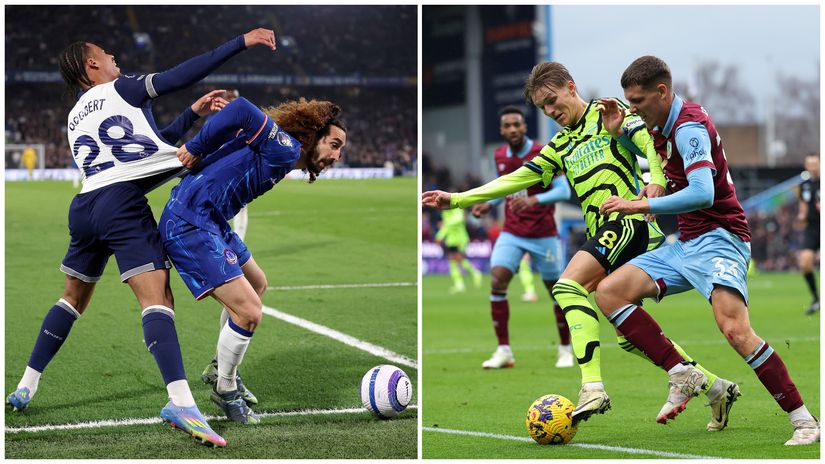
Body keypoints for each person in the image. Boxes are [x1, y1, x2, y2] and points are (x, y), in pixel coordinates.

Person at [422, 61, 736, 430]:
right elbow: (513, 179)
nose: (551, 112)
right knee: (629, 337)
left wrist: (655, 181)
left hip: (629, 223)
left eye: (553, 101)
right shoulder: (559, 146)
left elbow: (647, 144)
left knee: (568, 287)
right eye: (543, 108)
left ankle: (592, 387)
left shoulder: (609, 113)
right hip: (608, 232)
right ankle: (714, 386)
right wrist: (457, 199)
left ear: (571, 88)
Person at [6, 29, 277, 449]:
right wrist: (241, 42)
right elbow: (181, 74)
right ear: (92, 65)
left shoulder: (75, 115)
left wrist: (190, 114)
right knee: (158, 299)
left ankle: (26, 384)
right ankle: (181, 402)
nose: (115, 57)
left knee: (71, 299)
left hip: (85, 207)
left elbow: (140, 151)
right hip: (121, 205)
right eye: (106, 54)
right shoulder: (121, 87)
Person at [593, 55, 819, 445]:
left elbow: (703, 192)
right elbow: (669, 170)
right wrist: (621, 134)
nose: (632, 109)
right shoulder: (660, 124)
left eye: (638, 101)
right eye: (629, 101)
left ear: (662, 92)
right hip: (687, 244)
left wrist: (638, 204)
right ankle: (681, 372)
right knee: (609, 292)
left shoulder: (688, 128)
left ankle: (805, 421)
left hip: (722, 238)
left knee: (735, 330)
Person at [160, 96, 346, 423]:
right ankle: (226, 389)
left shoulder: (285, 154)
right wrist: (197, 146)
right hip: (191, 221)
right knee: (248, 311)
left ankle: (220, 367)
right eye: (333, 144)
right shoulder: (286, 148)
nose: (336, 155)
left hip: (211, 220)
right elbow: (240, 108)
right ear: (313, 135)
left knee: (257, 283)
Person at [470, 105, 573, 369]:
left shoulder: (543, 153)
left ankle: (565, 349)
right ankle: (503, 350)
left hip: (544, 234)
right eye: (508, 125)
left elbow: (563, 191)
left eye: (517, 124)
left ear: (524, 127)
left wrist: (535, 200)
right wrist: (488, 203)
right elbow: (504, 186)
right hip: (512, 232)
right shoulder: (500, 155)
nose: (513, 129)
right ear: (502, 130)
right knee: (498, 280)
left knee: (556, 292)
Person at [198, 88, 258, 405]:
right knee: (246, 303)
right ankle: (226, 381)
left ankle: (220, 367)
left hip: (220, 220)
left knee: (258, 283)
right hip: (202, 221)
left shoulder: (245, 133)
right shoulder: (216, 135)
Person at [435, 208, 483, 293]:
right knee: (452, 261)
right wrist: (439, 236)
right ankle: (459, 284)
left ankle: (475, 273)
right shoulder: (445, 213)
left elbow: (458, 220)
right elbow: (446, 228)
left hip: (461, 239)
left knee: (458, 258)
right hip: (451, 240)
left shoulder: (458, 210)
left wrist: (445, 224)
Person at [797, 154, 819, 315]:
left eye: (815, 164)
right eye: (809, 164)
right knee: (805, 263)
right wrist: (802, 215)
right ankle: (816, 299)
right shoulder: (804, 185)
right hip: (811, 228)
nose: (812, 167)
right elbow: (803, 204)